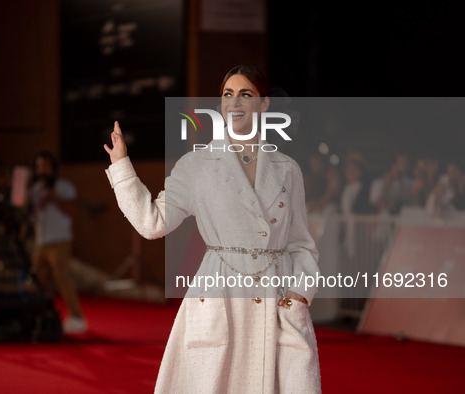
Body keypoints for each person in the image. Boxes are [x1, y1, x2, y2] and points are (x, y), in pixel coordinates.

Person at [104, 65, 321, 393]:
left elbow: (301, 243)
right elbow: (152, 223)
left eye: (245, 95)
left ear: (264, 105)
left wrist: (299, 296)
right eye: (227, 95)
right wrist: (122, 168)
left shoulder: (287, 169)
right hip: (220, 292)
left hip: (276, 299)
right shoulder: (196, 166)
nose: (234, 103)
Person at [31, 151, 86, 334]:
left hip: (59, 239)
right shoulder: (36, 189)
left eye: (46, 165)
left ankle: (77, 317)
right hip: (40, 241)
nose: (43, 169)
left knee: (62, 278)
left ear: (53, 168)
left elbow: (73, 210)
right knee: (37, 281)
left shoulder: (64, 187)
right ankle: (40, 315)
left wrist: (55, 198)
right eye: (40, 165)